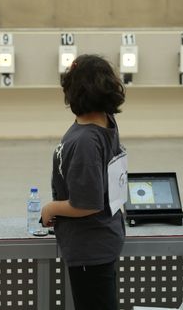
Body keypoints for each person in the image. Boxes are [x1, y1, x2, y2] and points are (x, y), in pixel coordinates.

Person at [41, 54, 126, 310]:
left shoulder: (86, 141)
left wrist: (51, 208)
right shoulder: (105, 122)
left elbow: (87, 203)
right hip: (99, 241)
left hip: (90, 247)